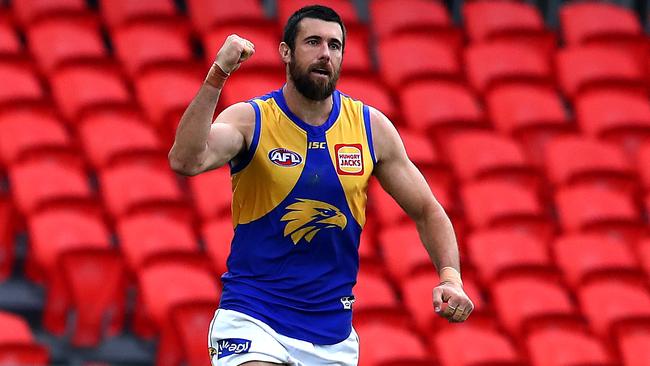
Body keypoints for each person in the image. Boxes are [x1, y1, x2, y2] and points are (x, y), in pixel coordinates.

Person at [168, 5, 473, 366]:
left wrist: (451, 278)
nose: (325, 54)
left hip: (332, 335)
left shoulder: (370, 129)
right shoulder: (253, 119)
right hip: (254, 317)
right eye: (313, 42)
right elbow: (186, 161)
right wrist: (217, 75)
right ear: (286, 51)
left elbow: (427, 211)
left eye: (335, 45)